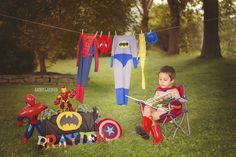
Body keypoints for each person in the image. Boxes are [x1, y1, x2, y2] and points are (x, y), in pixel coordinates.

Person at [135, 65, 181, 144]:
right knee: (147, 107)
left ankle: (156, 137)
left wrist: (168, 102)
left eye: (165, 79)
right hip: (159, 109)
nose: (162, 81)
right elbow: (154, 101)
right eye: (160, 79)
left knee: (151, 116)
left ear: (172, 80)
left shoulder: (174, 91)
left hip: (170, 111)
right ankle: (146, 129)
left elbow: (178, 105)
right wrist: (150, 102)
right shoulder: (158, 90)